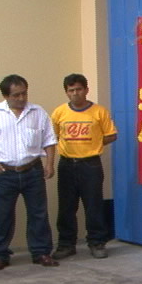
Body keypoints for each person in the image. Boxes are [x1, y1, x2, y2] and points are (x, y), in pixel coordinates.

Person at [0, 74, 59, 270]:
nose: (22, 98)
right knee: (3, 215)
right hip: (5, 172)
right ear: (6, 96)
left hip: (33, 170)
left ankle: (41, 252)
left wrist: (49, 164)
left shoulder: (38, 112)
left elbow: (49, 140)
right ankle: (0, 254)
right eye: (16, 95)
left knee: (38, 213)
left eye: (24, 94)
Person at [51, 74, 118, 260]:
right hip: (67, 164)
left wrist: (94, 143)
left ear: (86, 90)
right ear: (66, 92)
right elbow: (54, 136)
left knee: (93, 205)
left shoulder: (99, 112)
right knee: (66, 207)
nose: (75, 93)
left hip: (91, 164)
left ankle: (97, 242)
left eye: (79, 89)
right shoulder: (59, 113)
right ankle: (66, 244)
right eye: (71, 90)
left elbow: (112, 135)